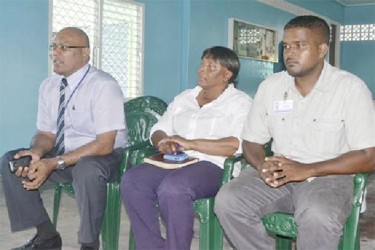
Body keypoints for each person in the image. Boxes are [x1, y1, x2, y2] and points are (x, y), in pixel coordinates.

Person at [215, 15, 375, 250]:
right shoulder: (271, 87)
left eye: (299, 45)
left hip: (329, 176)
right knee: (228, 201)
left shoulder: (350, 89)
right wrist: (262, 166)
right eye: (286, 46)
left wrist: (307, 170)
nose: (289, 53)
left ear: (322, 49)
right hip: (280, 172)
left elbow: (368, 156)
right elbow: (251, 141)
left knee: (318, 216)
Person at [1, 27, 127, 250]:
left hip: (102, 156)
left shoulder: (104, 85)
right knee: (12, 160)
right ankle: (46, 235)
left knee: (87, 169)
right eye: (54, 47)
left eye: (64, 47)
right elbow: (46, 134)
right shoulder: (48, 86)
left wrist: (54, 163)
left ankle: (89, 244)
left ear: (85, 53)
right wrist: (37, 153)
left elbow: (105, 143)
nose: (55, 53)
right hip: (62, 155)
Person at [120, 46, 252, 250]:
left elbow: (236, 144)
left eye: (211, 66)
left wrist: (190, 143)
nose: (202, 70)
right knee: (132, 180)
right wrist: (163, 141)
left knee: (173, 189)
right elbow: (159, 128)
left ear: (227, 74)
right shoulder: (186, 97)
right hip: (175, 159)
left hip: (212, 164)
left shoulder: (240, 103)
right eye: (202, 64)